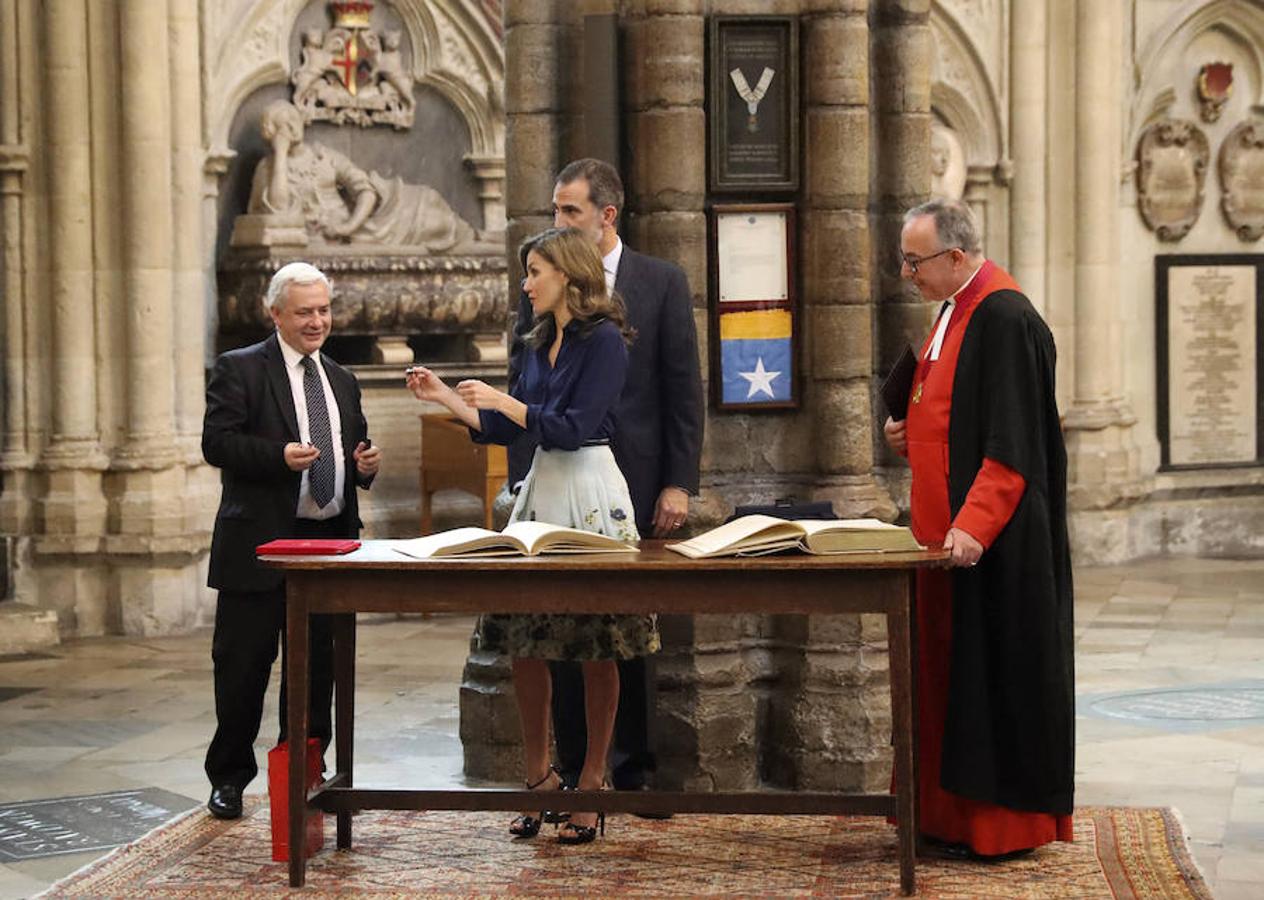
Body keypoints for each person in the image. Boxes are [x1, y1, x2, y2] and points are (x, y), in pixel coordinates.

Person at [406, 227, 657, 844]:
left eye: (535, 271)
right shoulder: (540, 338)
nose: (527, 284)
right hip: (541, 493)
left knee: (596, 643)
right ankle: (539, 777)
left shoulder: (605, 343)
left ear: (568, 275)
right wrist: (447, 396)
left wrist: (504, 401)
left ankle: (594, 781)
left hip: (590, 493)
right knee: (525, 637)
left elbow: (575, 427)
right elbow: (506, 429)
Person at [506, 158, 703, 802]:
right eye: (556, 210)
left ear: (606, 215)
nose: (558, 220)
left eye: (570, 211)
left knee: (623, 634)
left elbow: (681, 389)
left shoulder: (659, 281)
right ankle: (568, 770)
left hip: (634, 479)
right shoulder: (540, 288)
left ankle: (633, 770)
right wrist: (518, 484)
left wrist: (679, 481)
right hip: (554, 484)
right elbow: (523, 391)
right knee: (556, 630)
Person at [883, 199, 1074, 859]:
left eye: (915, 260)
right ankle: (943, 816)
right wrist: (904, 435)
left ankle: (997, 827)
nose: (907, 273)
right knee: (944, 689)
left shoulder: (1005, 316)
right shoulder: (953, 311)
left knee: (990, 690)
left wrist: (973, 527)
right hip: (940, 547)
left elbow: (1012, 444)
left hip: (989, 550)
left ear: (956, 258)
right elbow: (951, 426)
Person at [202, 261, 381, 820]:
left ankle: (307, 766)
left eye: (324, 309)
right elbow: (218, 444)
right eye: (305, 311)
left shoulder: (342, 379)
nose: (317, 321)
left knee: (317, 669)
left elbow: (354, 449)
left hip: (327, 546)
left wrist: (365, 466)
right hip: (261, 545)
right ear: (274, 312)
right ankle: (229, 778)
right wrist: (278, 457)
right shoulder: (240, 369)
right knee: (243, 668)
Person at [247, 100, 477, 250]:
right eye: (283, 122)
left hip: (361, 227)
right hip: (335, 240)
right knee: (435, 226)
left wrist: (348, 226)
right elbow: (277, 210)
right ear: (271, 130)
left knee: (432, 210)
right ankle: (484, 239)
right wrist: (280, 153)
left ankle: (483, 238)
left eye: (294, 119)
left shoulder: (324, 156)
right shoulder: (267, 168)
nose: (292, 126)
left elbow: (364, 190)